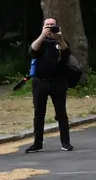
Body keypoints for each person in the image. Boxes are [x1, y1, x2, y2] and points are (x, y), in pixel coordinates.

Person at [27, 16, 74, 152]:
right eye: (47, 25)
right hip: (40, 82)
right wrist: (42, 35)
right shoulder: (40, 42)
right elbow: (33, 50)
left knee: (61, 113)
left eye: (52, 25)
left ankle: (65, 142)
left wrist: (59, 37)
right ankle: (37, 143)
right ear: (42, 27)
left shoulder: (60, 42)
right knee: (38, 113)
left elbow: (67, 53)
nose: (50, 27)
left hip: (58, 82)